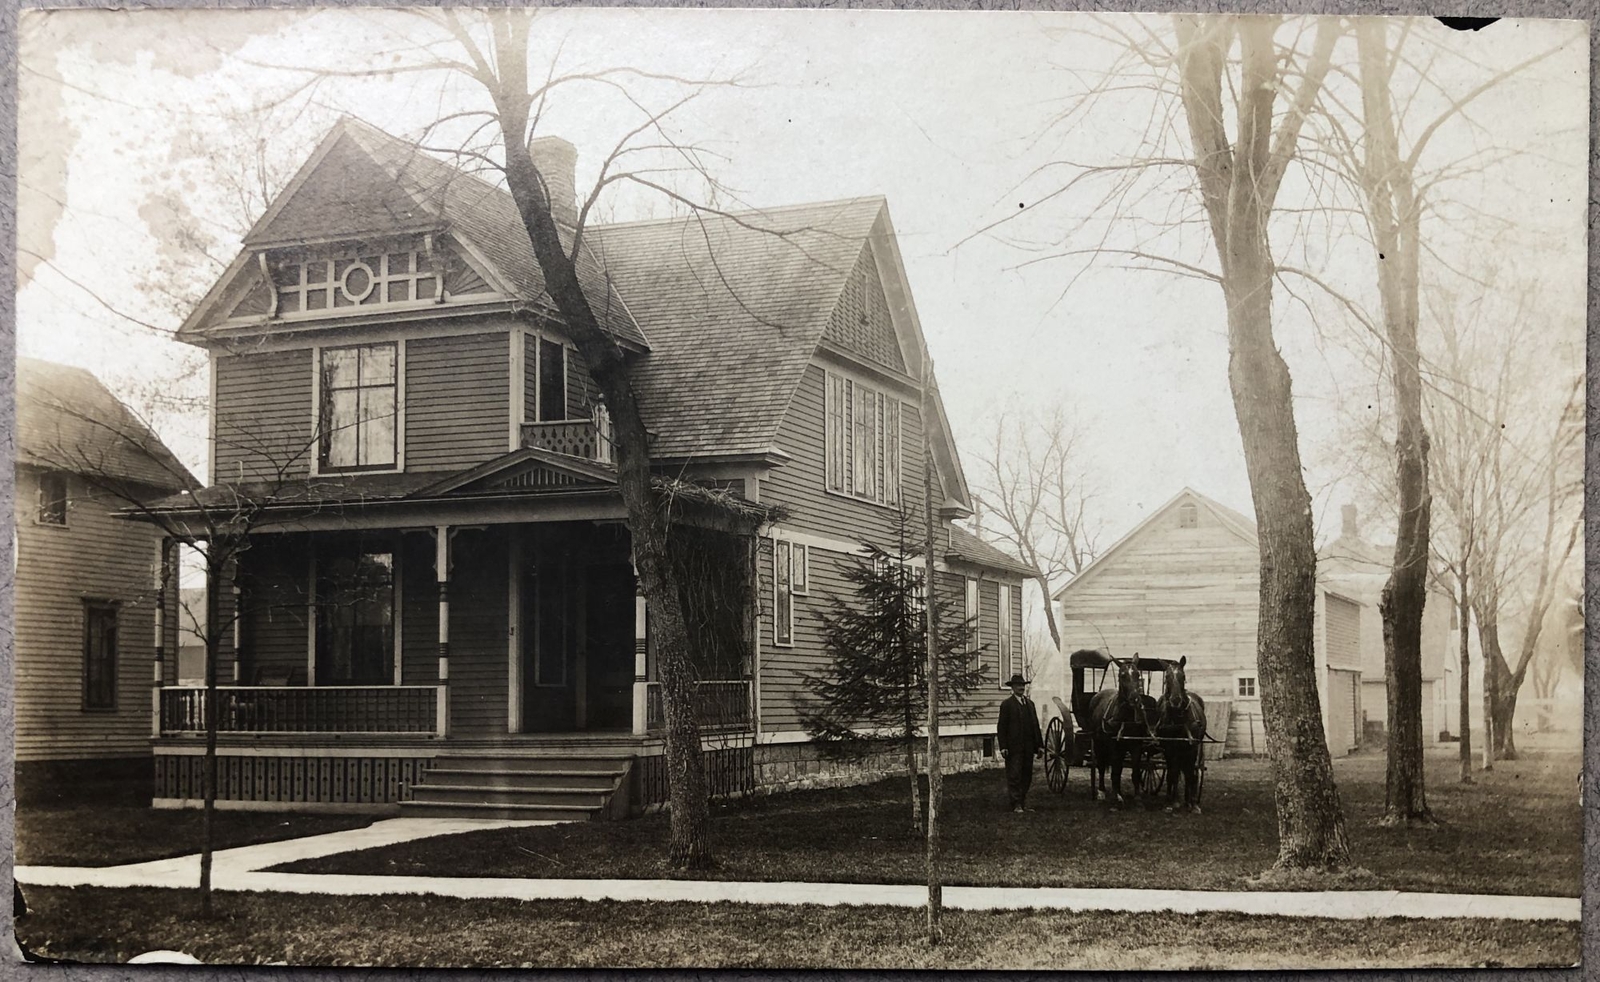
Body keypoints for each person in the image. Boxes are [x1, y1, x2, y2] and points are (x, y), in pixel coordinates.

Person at [997, 673, 1044, 812]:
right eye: (1018, 685)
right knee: (1014, 775)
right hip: (1014, 748)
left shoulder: (1030, 704)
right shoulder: (1007, 705)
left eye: (1022, 685)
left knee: (1026, 775)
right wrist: (1003, 746)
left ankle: (1022, 802)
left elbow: (1035, 726)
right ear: (1012, 688)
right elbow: (1002, 727)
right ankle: (1016, 804)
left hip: (1028, 747)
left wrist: (1040, 746)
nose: (1021, 688)